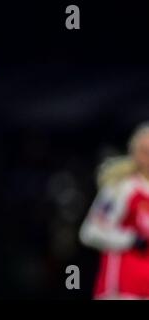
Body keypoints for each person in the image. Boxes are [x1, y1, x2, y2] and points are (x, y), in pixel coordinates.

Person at [79, 122, 149, 299]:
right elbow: (90, 231)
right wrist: (130, 239)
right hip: (122, 289)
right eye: (143, 150)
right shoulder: (121, 188)